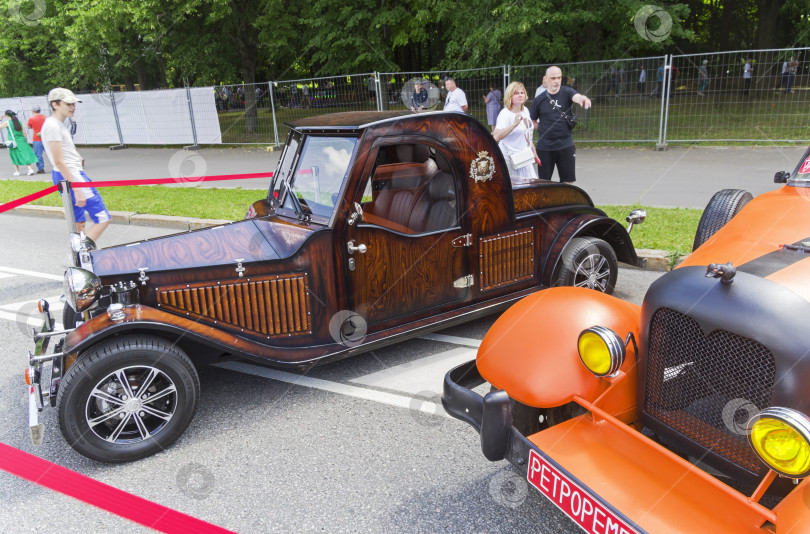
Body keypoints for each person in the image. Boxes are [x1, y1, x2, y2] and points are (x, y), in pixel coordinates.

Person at [41, 88, 110, 242]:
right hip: (71, 174)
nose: (72, 107)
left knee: (79, 222)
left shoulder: (56, 124)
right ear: (55, 104)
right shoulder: (53, 125)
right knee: (103, 217)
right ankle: (82, 252)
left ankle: (79, 256)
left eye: (74, 104)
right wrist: (77, 188)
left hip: (66, 173)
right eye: (68, 103)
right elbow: (59, 161)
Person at [529, 66, 591, 183]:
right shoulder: (539, 100)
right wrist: (542, 128)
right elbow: (532, 121)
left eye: (559, 77)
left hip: (565, 145)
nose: (556, 81)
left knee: (568, 182)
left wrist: (583, 99)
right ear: (546, 79)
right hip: (545, 147)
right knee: (543, 183)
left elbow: (576, 97)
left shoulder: (567, 92)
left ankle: (565, 202)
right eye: (553, 78)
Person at [493, 82, 539, 182]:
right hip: (511, 160)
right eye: (516, 93)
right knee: (517, 190)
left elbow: (527, 134)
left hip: (524, 158)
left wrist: (533, 151)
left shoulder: (525, 110)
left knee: (531, 187)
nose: (520, 95)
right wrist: (514, 124)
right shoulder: (505, 114)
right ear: (510, 96)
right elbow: (496, 136)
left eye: (522, 92)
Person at [1, 110, 37, 176]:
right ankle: (30, 169)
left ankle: (17, 171)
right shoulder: (20, 122)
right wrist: (25, 141)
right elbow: (24, 132)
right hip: (22, 141)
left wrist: (0, 119)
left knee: (14, 155)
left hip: (13, 142)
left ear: (7, 116)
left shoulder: (7, 122)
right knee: (25, 155)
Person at [26, 105, 46, 173]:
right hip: (46, 138)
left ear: (33, 111)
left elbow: (28, 127)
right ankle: (57, 166)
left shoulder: (32, 118)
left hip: (37, 138)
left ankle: (41, 169)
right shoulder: (45, 117)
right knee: (51, 153)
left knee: (38, 154)